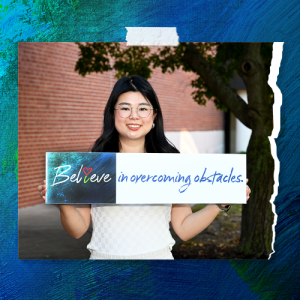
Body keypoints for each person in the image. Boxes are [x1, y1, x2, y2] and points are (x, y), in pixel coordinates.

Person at [38, 75, 251, 259]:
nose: (134, 116)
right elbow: (78, 229)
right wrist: (62, 202)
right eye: (125, 108)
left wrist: (218, 204)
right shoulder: (95, 164)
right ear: (113, 114)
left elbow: (184, 228)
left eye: (143, 108)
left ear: (154, 115)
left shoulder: (170, 163)